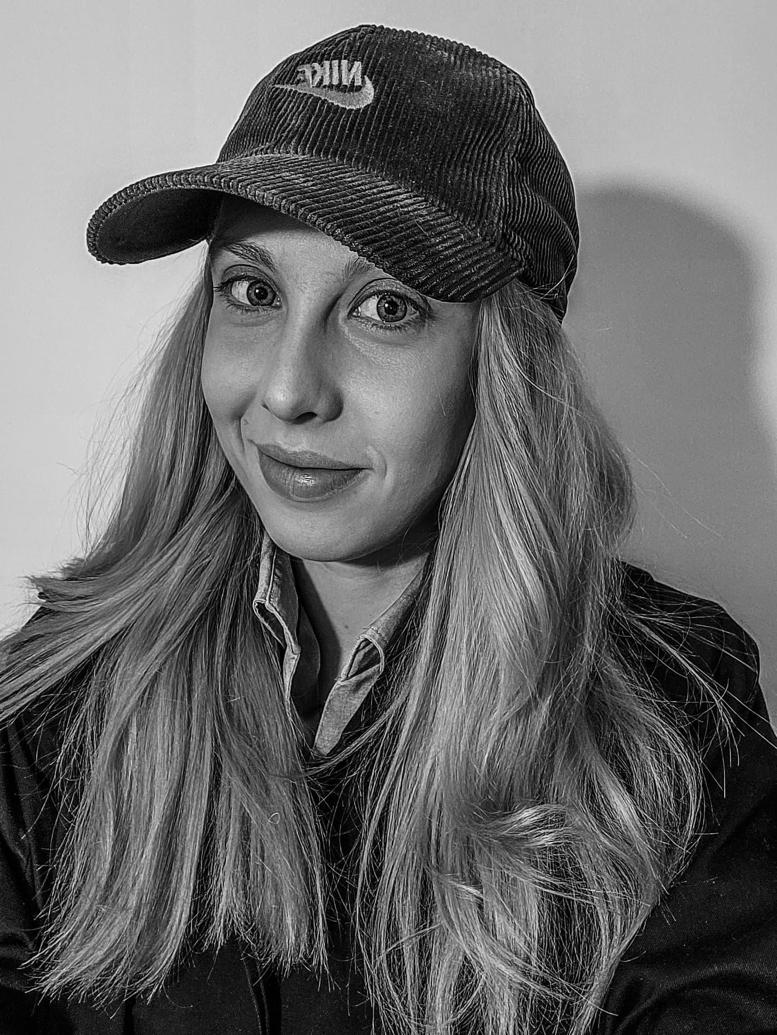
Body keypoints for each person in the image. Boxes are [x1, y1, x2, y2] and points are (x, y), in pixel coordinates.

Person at [1, 22, 775, 1035]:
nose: (288, 389)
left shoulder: (664, 714)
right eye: (252, 292)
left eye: (385, 309)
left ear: (504, 366)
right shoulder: (69, 688)